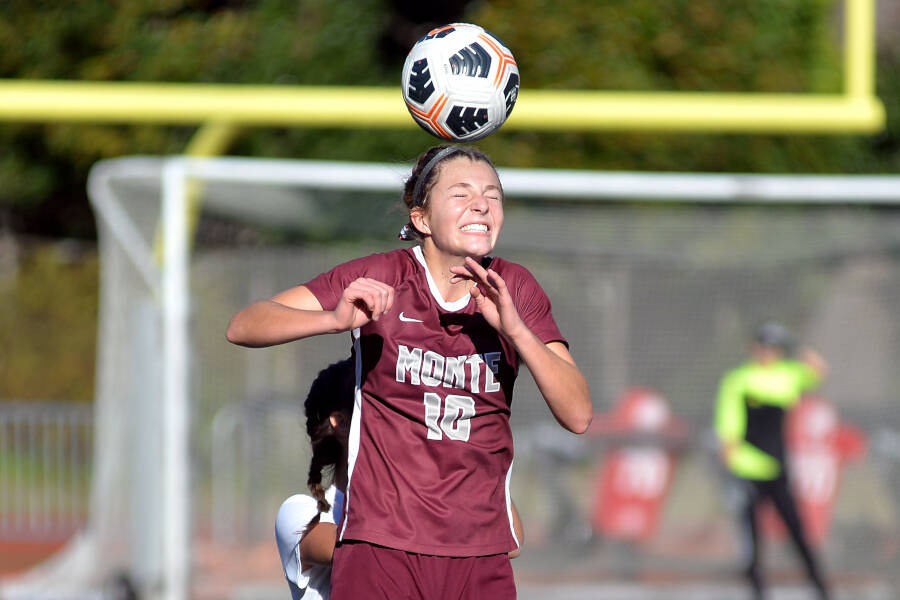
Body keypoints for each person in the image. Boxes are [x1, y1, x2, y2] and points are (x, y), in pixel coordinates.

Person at [229, 144, 591, 600]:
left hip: (479, 554)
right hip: (381, 546)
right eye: (461, 193)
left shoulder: (514, 287)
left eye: (493, 195)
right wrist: (333, 320)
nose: (481, 203)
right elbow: (243, 325)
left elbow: (578, 415)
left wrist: (517, 330)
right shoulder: (381, 277)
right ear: (421, 219)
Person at [274, 357, 526, 600]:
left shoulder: (421, 498)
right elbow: (366, 546)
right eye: (380, 404)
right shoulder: (299, 513)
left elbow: (510, 540)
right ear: (340, 422)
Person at [714, 322, 831, 600]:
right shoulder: (738, 379)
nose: (768, 353)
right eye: (764, 347)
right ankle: (758, 591)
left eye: (774, 348)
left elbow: (817, 370)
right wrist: (730, 461)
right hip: (747, 468)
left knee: (798, 533)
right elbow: (728, 427)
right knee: (752, 539)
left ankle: (821, 588)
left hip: (777, 468)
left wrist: (797, 343)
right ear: (754, 348)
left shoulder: (787, 376)